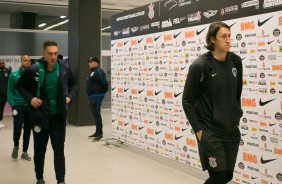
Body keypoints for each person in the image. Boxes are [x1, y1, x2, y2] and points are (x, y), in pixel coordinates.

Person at [182, 21, 243, 184]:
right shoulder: (200, 65)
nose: (228, 40)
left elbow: (237, 94)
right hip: (210, 131)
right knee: (218, 177)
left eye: (229, 36)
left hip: (231, 131)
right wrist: (199, 131)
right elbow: (187, 100)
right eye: (224, 36)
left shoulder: (236, 61)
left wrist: (236, 118)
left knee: (227, 176)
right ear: (212, 39)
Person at [16, 41, 78, 184]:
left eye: (56, 53)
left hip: (58, 117)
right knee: (39, 150)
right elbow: (20, 86)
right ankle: (39, 177)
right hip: (40, 117)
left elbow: (74, 84)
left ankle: (61, 180)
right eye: (50, 53)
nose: (53, 56)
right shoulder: (33, 69)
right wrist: (30, 98)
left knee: (59, 150)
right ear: (43, 54)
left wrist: (70, 96)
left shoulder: (63, 67)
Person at [7, 55, 32, 161]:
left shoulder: (33, 75)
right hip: (18, 106)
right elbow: (9, 91)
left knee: (27, 130)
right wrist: (13, 105)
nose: (27, 62)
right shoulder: (13, 75)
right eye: (25, 60)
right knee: (17, 127)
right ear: (21, 61)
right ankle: (16, 146)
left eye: (29, 61)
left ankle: (24, 151)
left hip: (29, 106)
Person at [86, 57, 108, 141]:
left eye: (91, 62)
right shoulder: (93, 72)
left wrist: (105, 91)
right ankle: (97, 131)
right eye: (89, 62)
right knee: (95, 115)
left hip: (97, 96)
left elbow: (104, 82)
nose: (89, 63)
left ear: (96, 63)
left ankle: (100, 134)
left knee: (97, 115)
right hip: (92, 96)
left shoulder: (99, 71)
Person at [0, 59, 11, 128]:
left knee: (2, 107)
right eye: (0, 63)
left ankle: (0, 120)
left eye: (2, 63)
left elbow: (11, 80)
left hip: (5, 93)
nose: (1, 64)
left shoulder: (8, 71)